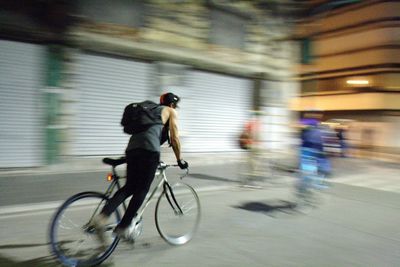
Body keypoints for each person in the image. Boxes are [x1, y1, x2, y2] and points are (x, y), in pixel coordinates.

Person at [91, 92, 188, 243]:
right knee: (142, 189)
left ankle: (102, 218)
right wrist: (179, 159)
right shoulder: (170, 111)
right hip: (149, 152)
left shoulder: (151, 112)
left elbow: (152, 136)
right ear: (172, 105)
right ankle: (123, 227)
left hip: (132, 150)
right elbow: (175, 138)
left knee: (129, 187)